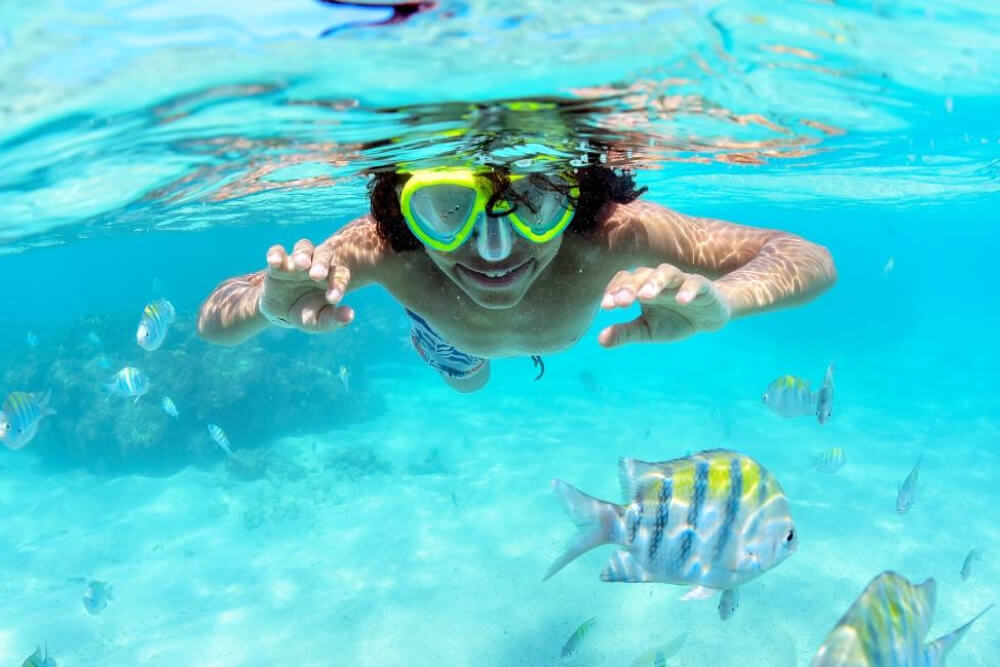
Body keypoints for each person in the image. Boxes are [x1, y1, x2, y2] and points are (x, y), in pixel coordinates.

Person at [198, 162, 836, 393]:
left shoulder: (616, 232)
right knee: (468, 383)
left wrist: (728, 297)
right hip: (448, 335)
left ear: (576, 197)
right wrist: (269, 303)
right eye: (446, 209)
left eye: (536, 201)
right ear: (403, 212)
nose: (496, 251)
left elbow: (804, 255)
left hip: (503, 324)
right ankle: (452, 361)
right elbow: (214, 323)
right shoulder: (382, 247)